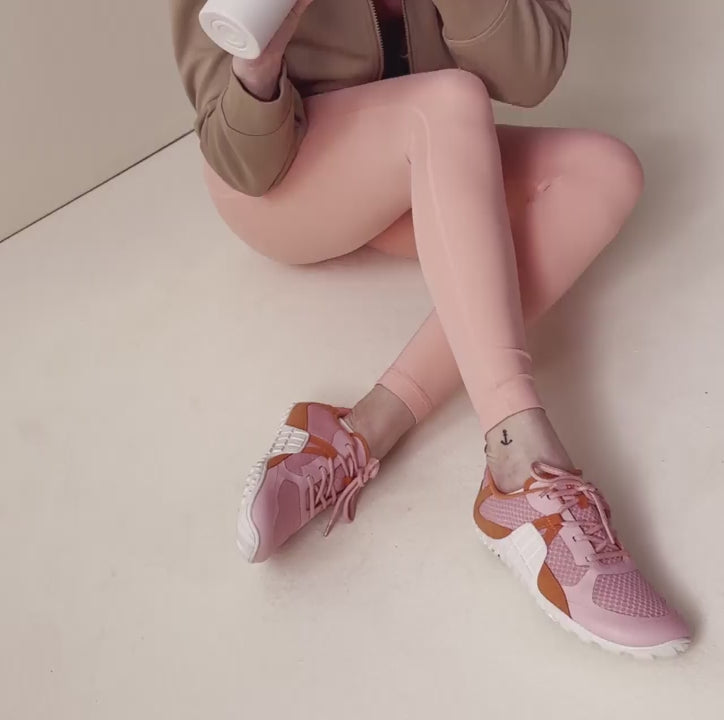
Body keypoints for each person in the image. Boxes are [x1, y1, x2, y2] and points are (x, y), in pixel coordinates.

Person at [171, 0, 690, 657]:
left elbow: (531, 74)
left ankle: (364, 429)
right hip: (286, 181)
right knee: (449, 101)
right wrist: (259, 66)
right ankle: (520, 462)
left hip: (427, 160)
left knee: (607, 174)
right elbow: (243, 163)